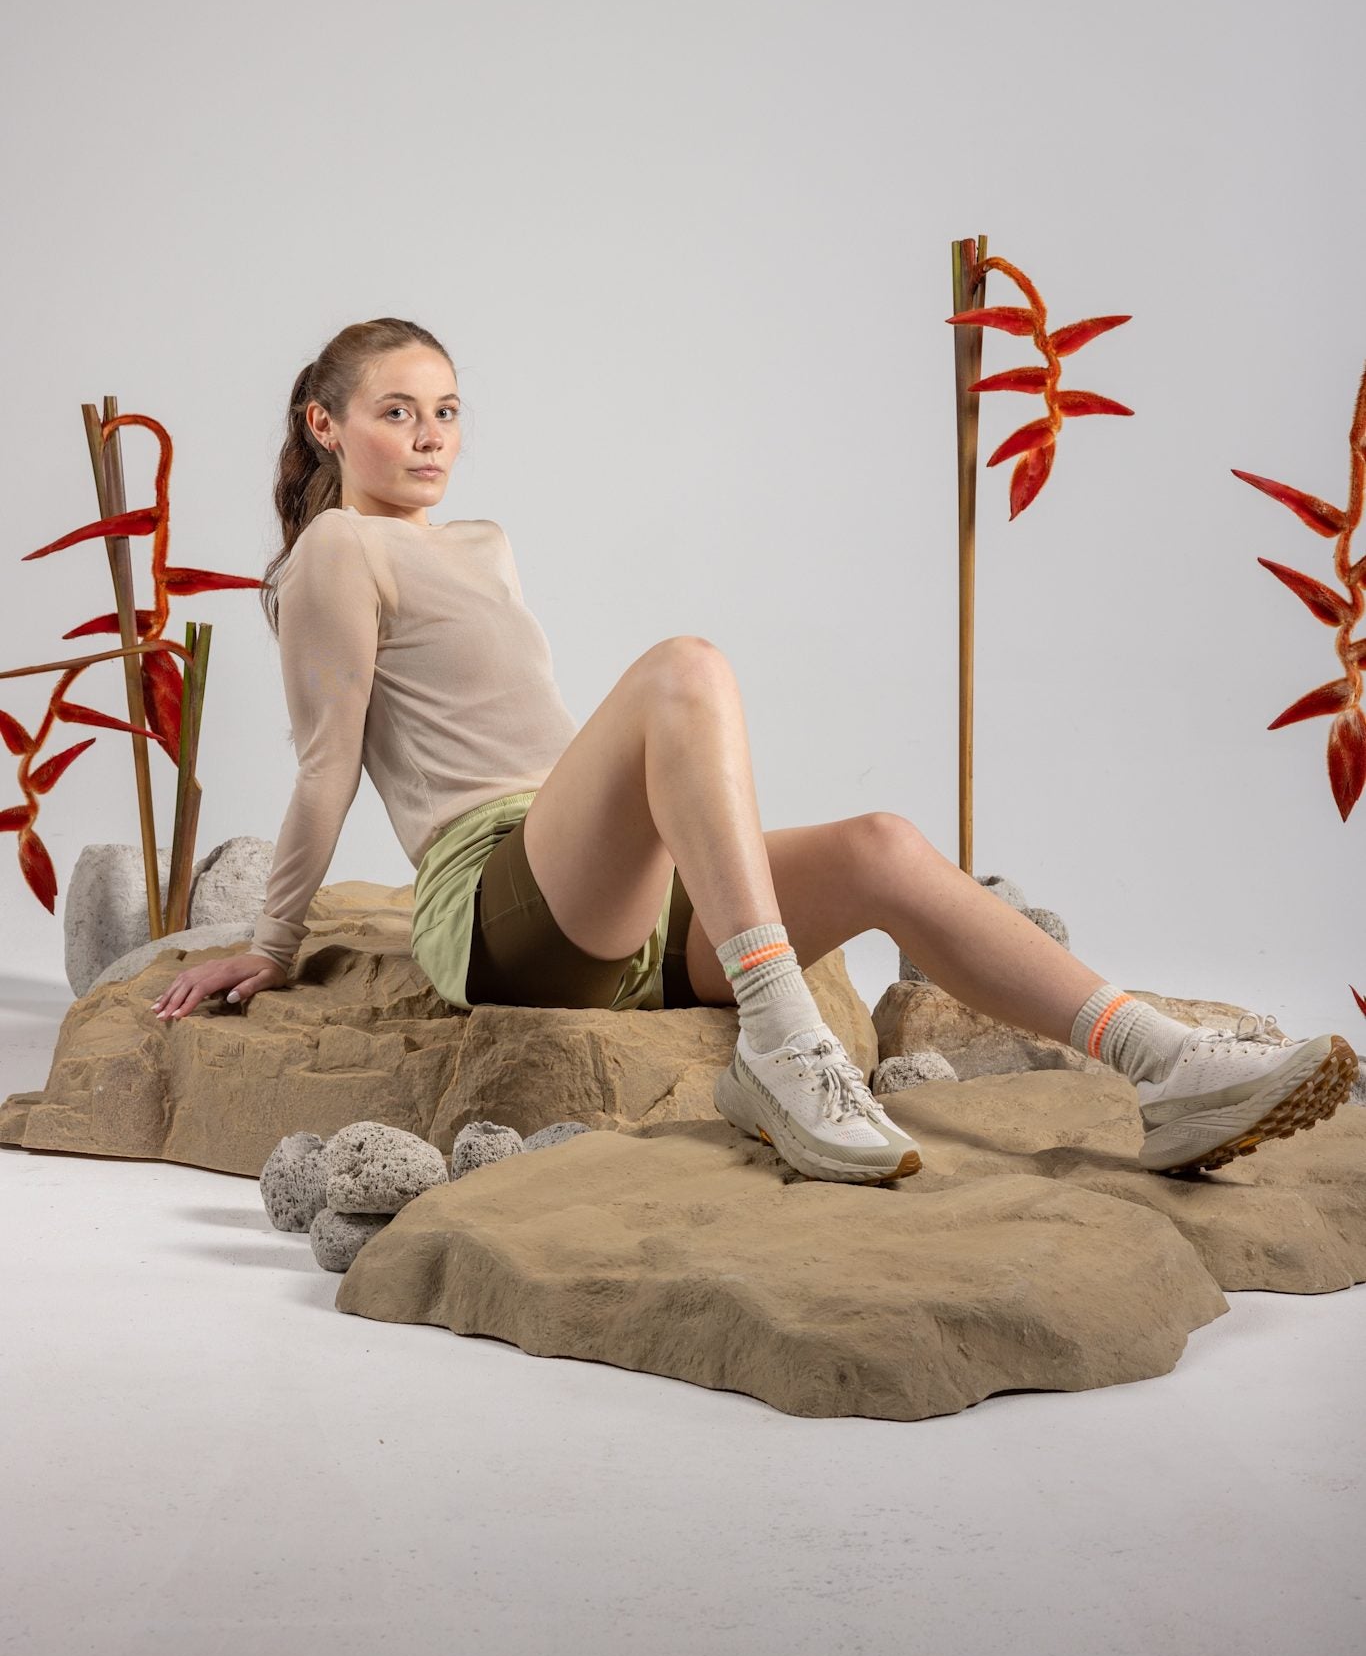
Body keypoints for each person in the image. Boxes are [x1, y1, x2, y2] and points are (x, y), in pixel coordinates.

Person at [152, 317, 1359, 1187]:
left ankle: (1159, 1065)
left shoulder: (482, 542)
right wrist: (270, 942)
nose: (429, 436)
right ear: (326, 424)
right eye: (396, 411)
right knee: (684, 666)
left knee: (883, 844)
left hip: (612, 894)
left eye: (447, 409)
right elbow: (326, 763)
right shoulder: (334, 553)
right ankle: (781, 1045)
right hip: (498, 906)